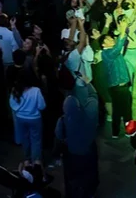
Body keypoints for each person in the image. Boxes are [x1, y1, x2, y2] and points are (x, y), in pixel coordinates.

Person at [55, 70, 99, 198]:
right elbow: (94, 96)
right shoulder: (90, 112)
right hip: (89, 151)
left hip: (72, 154)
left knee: (72, 177)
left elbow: (59, 135)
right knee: (89, 174)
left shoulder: (62, 121)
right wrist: (88, 82)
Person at [10, 68, 47, 162]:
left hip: (20, 118)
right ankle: (36, 162)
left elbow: (12, 105)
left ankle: (27, 160)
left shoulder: (15, 90)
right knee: (36, 141)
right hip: (35, 118)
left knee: (25, 139)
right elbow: (42, 106)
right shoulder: (36, 90)